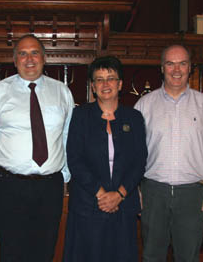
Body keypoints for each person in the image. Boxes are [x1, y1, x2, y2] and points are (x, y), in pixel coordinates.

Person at [0, 34, 74, 262]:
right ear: (15, 60)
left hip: (50, 186)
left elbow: (67, 136)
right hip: (9, 185)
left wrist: (64, 176)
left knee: (45, 251)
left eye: (34, 52)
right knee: (12, 252)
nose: (29, 58)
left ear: (44, 58)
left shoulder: (62, 92)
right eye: (22, 53)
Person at [134, 44, 203, 261]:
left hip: (192, 194)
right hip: (153, 193)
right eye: (170, 63)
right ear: (161, 67)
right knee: (152, 255)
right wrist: (135, 190)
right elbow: (134, 154)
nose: (177, 69)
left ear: (190, 67)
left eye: (182, 63)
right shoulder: (144, 105)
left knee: (188, 255)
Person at [62, 56, 147, 262]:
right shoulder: (79, 116)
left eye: (110, 78)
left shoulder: (134, 118)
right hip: (88, 205)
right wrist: (102, 194)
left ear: (120, 84)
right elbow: (74, 159)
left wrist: (119, 194)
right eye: (99, 79)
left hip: (123, 205)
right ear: (93, 86)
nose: (105, 84)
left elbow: (140, 160)